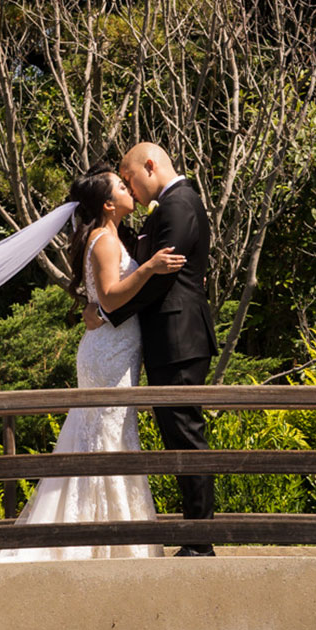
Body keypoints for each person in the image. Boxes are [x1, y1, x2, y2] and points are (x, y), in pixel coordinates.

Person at [0, 168, 183, 562]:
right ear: (108, 204)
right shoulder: (105, 240)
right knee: (107, 438)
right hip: (108, 352)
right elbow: (111, 300)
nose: (129, 188)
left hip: (114, 346)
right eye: (120, 185)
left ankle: (106, 534)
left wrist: (93, 305)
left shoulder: (111, 236)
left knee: (109, 435)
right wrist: (149, 268)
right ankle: (104, 540)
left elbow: (101, 300)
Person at [105, 141, 220, 557]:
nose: (131, 189)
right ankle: (196, 535)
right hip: (172, 338)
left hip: (179, 340)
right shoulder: (172, 205)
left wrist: (108, 310)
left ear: (150, 167)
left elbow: (161, 280)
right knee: (179, 438)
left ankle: (199, 541)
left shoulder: (178, 204)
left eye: (131, 178)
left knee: (187, 438)